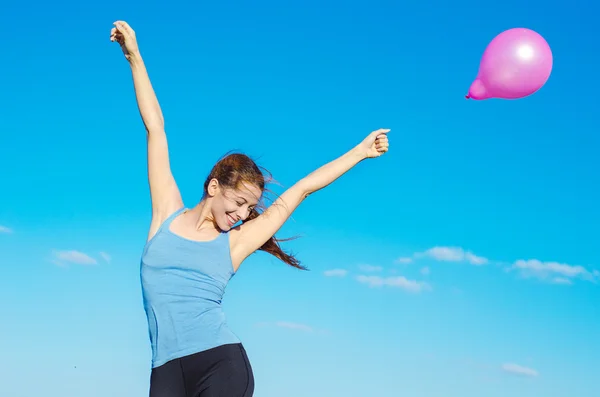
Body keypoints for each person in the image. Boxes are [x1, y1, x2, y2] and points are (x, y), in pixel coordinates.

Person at [110, 20, 390, 397]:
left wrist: (360, 152)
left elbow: (302, 189)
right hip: (164, 371)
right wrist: (134, 58)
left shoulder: (237, 241)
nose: (244, 214)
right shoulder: (166, 214)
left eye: (251, 207)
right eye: (240, 202)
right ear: (213, 187)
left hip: (218, 363)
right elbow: (155, 129)